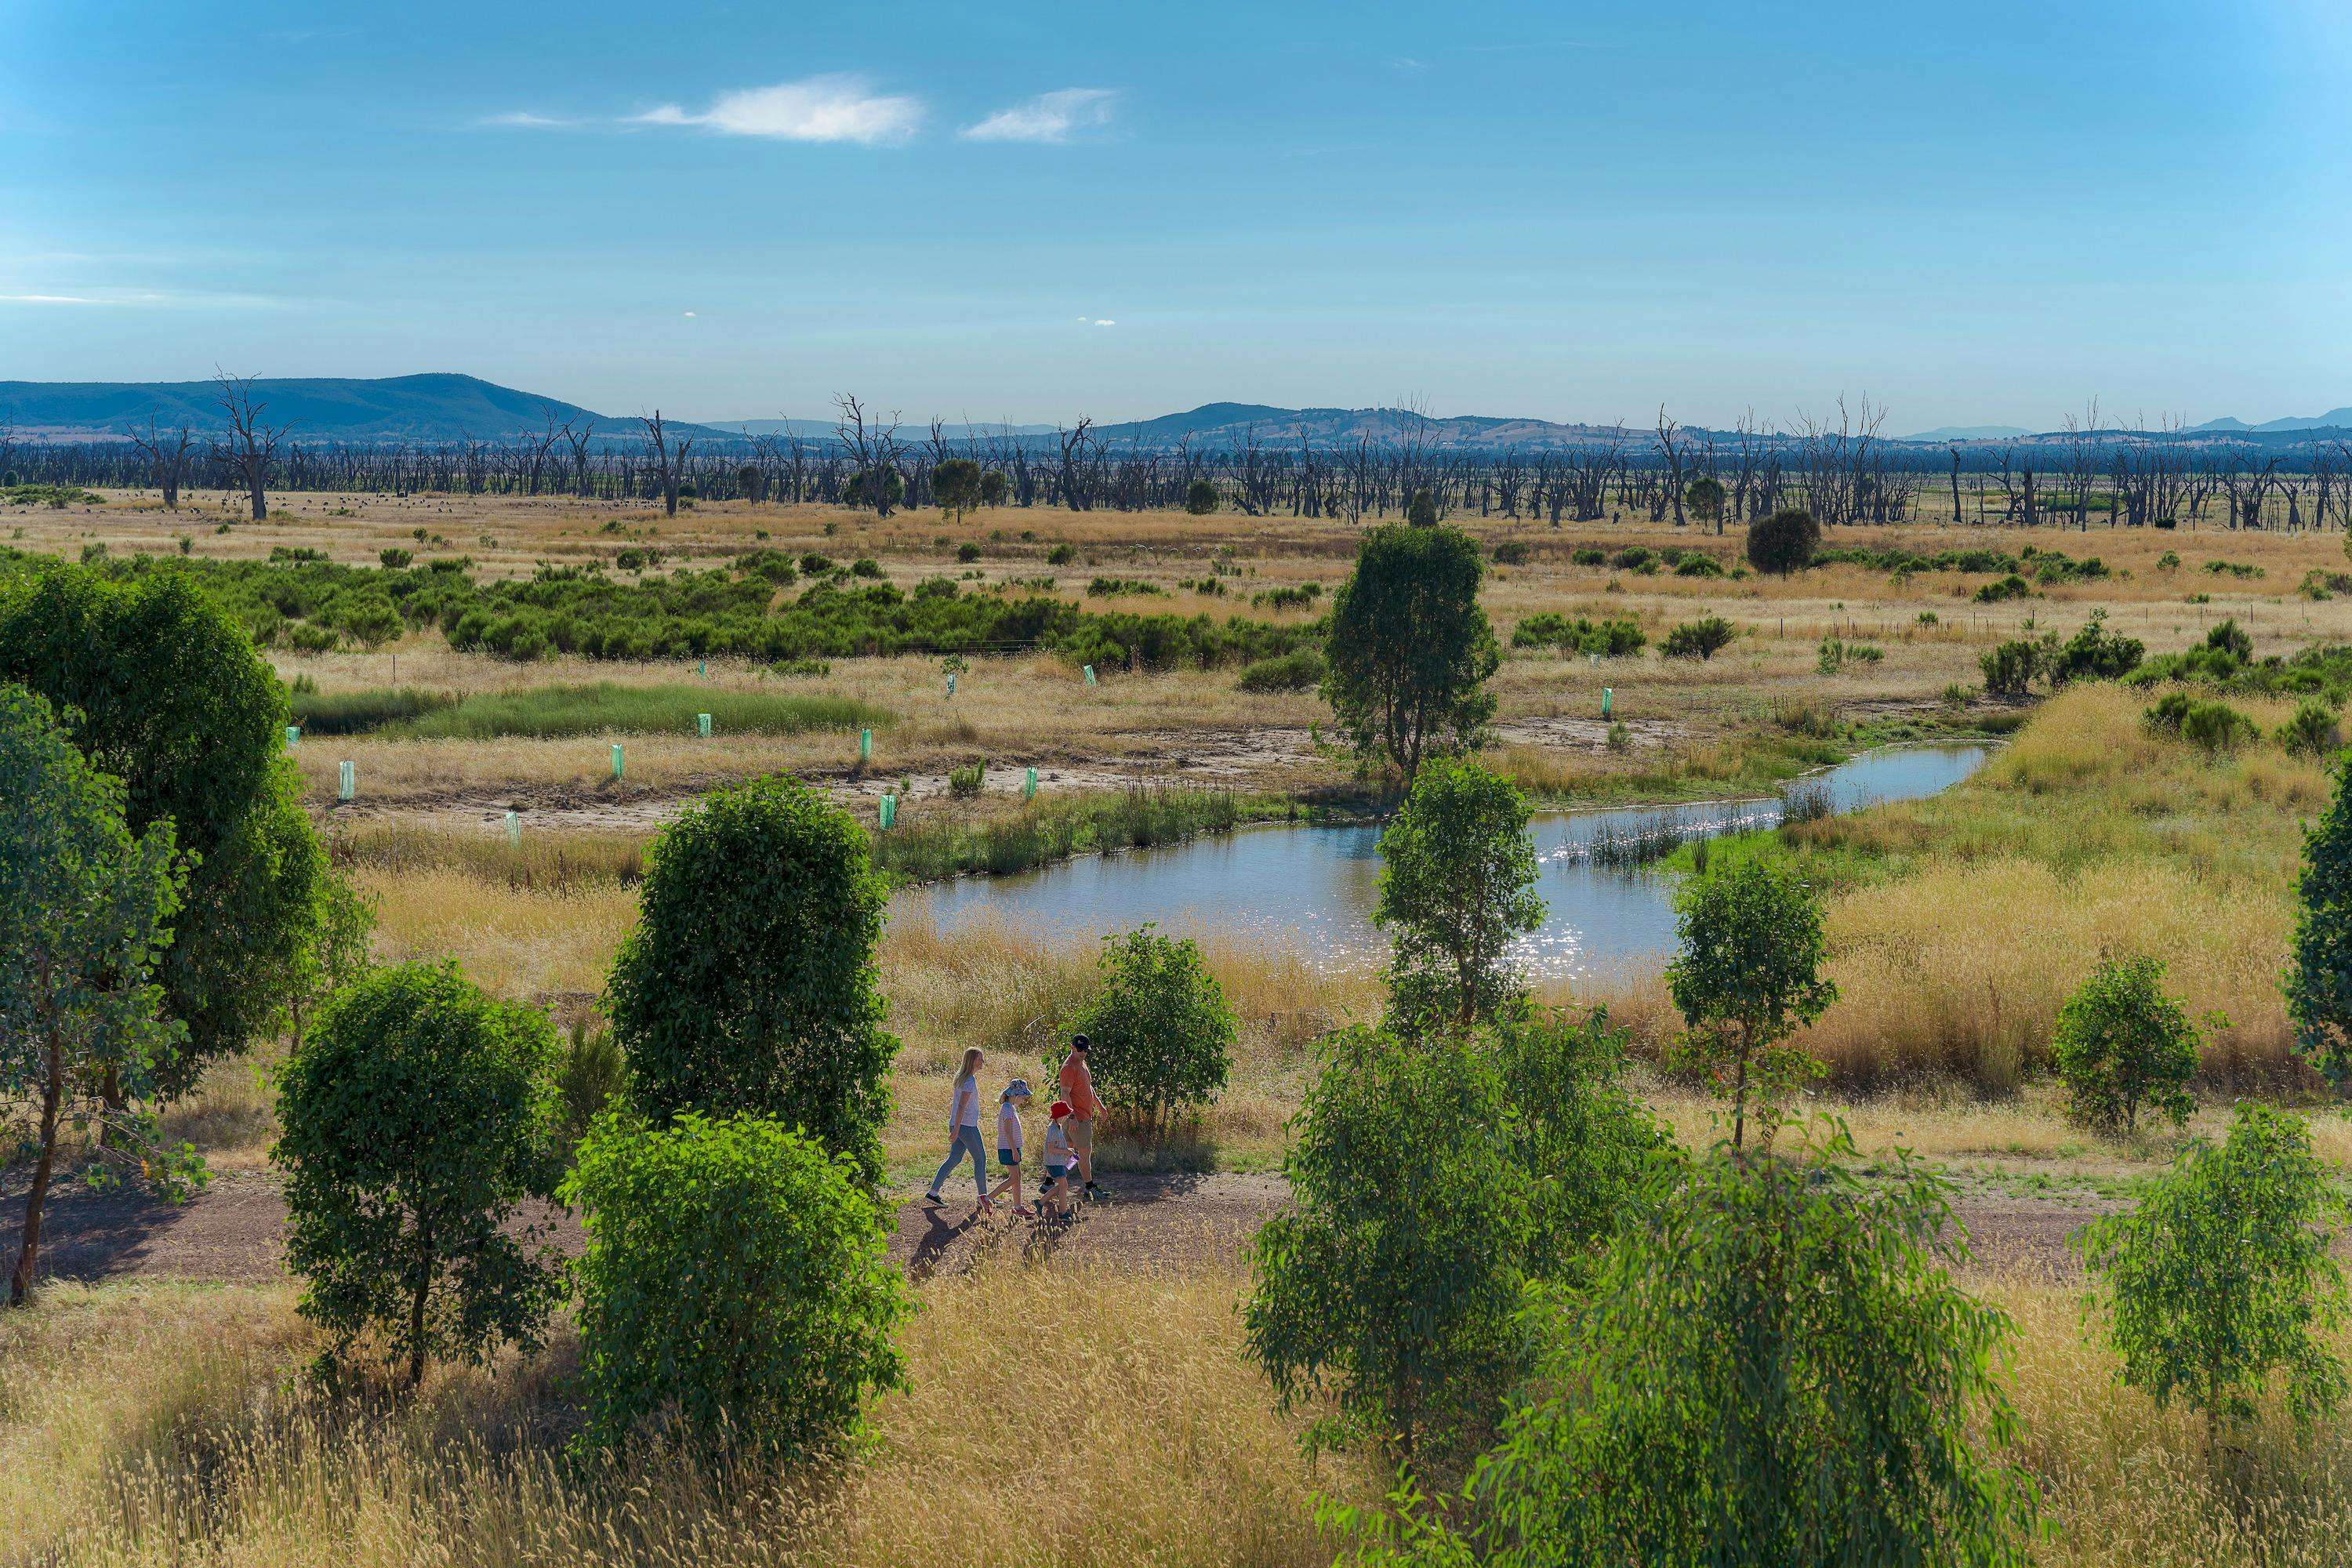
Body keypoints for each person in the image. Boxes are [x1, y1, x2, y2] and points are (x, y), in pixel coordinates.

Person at [925, 1047, 995, 1217]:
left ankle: (932, 1193)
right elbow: (962, 1106)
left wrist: (955, 1127)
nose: (983, 1062)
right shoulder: (969, 1081)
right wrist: (957, 1129)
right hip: (966, 1126)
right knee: (980, 1159)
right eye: (980, 1059)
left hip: (959, 1125)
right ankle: (983, 1197)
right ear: (972, 1061)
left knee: (954, 1158)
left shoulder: (962, 1078)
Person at [1057, 1033, 1108, 1202]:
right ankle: (1089, 1187)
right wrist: (1072, 1117)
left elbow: (1088, 1088)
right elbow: (1065, 1092)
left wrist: (1099, 1106)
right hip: (1078, 1119)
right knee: (1084, 1153)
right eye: (1080, 1049)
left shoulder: (1082, 1064)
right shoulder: (1070, 1067)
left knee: (1069, 1153)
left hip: (1081, 1117)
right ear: (1072, 1047)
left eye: (1085, 1050)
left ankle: (1051, 1181)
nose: (1083, 1052)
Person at [986, 1077, 1036, 1217]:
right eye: (1024, 1097)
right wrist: (1014, 1150)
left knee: (1017, 1177)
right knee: (1014, 1178)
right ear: (1016, 1095)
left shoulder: (1010, 1108)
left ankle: (1018, 1207)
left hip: (1013, 1147)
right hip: (1009, 1148)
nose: (1025, 1099)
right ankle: (987, 1198)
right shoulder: (1007, 1109)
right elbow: (1007, 1132)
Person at [1037, 1099, 1077, 1218]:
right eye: (1066, 1115)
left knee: (1062, 1185)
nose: (1067, 1117)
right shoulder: (1054, 1129)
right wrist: (1065, 1152)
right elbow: (1051, 1149)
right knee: (1064, 1185)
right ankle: (1063, 1213)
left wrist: (1067, 1151)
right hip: (1054, 1163)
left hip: (1057, 1162)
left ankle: (1040, 1203)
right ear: (1060, 1116)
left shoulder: (1057, 1126)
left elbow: (1057, 1146)